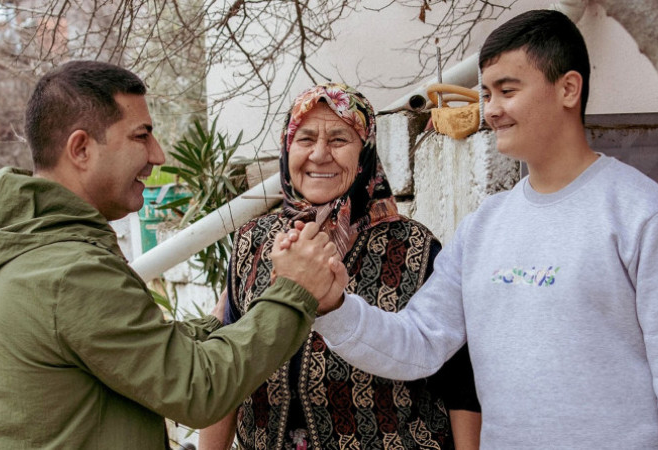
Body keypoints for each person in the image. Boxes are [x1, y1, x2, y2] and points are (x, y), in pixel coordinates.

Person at [304, 10, 658, 449]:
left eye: (507, 90)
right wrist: (334, 306)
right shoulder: (483, 227)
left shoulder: (647, 217)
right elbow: (420, 342)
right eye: (486, 93)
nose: (492, 109)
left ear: (568, 88)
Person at [0, 60, 343, 449]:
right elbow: (199, 389)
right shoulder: (69, 272)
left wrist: (220, 322)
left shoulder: (31, 245)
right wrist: (293, 290)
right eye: (141, 136)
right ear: (81, 148)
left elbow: (129, 351)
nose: (157, 155)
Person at [199, 83, 482, 450]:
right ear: (287, 149)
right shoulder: (252, 244)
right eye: (304, 139)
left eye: (338, 139)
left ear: (365, 151)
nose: (319, 154)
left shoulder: (415, 247)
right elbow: (226, 376)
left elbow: (461, 385)